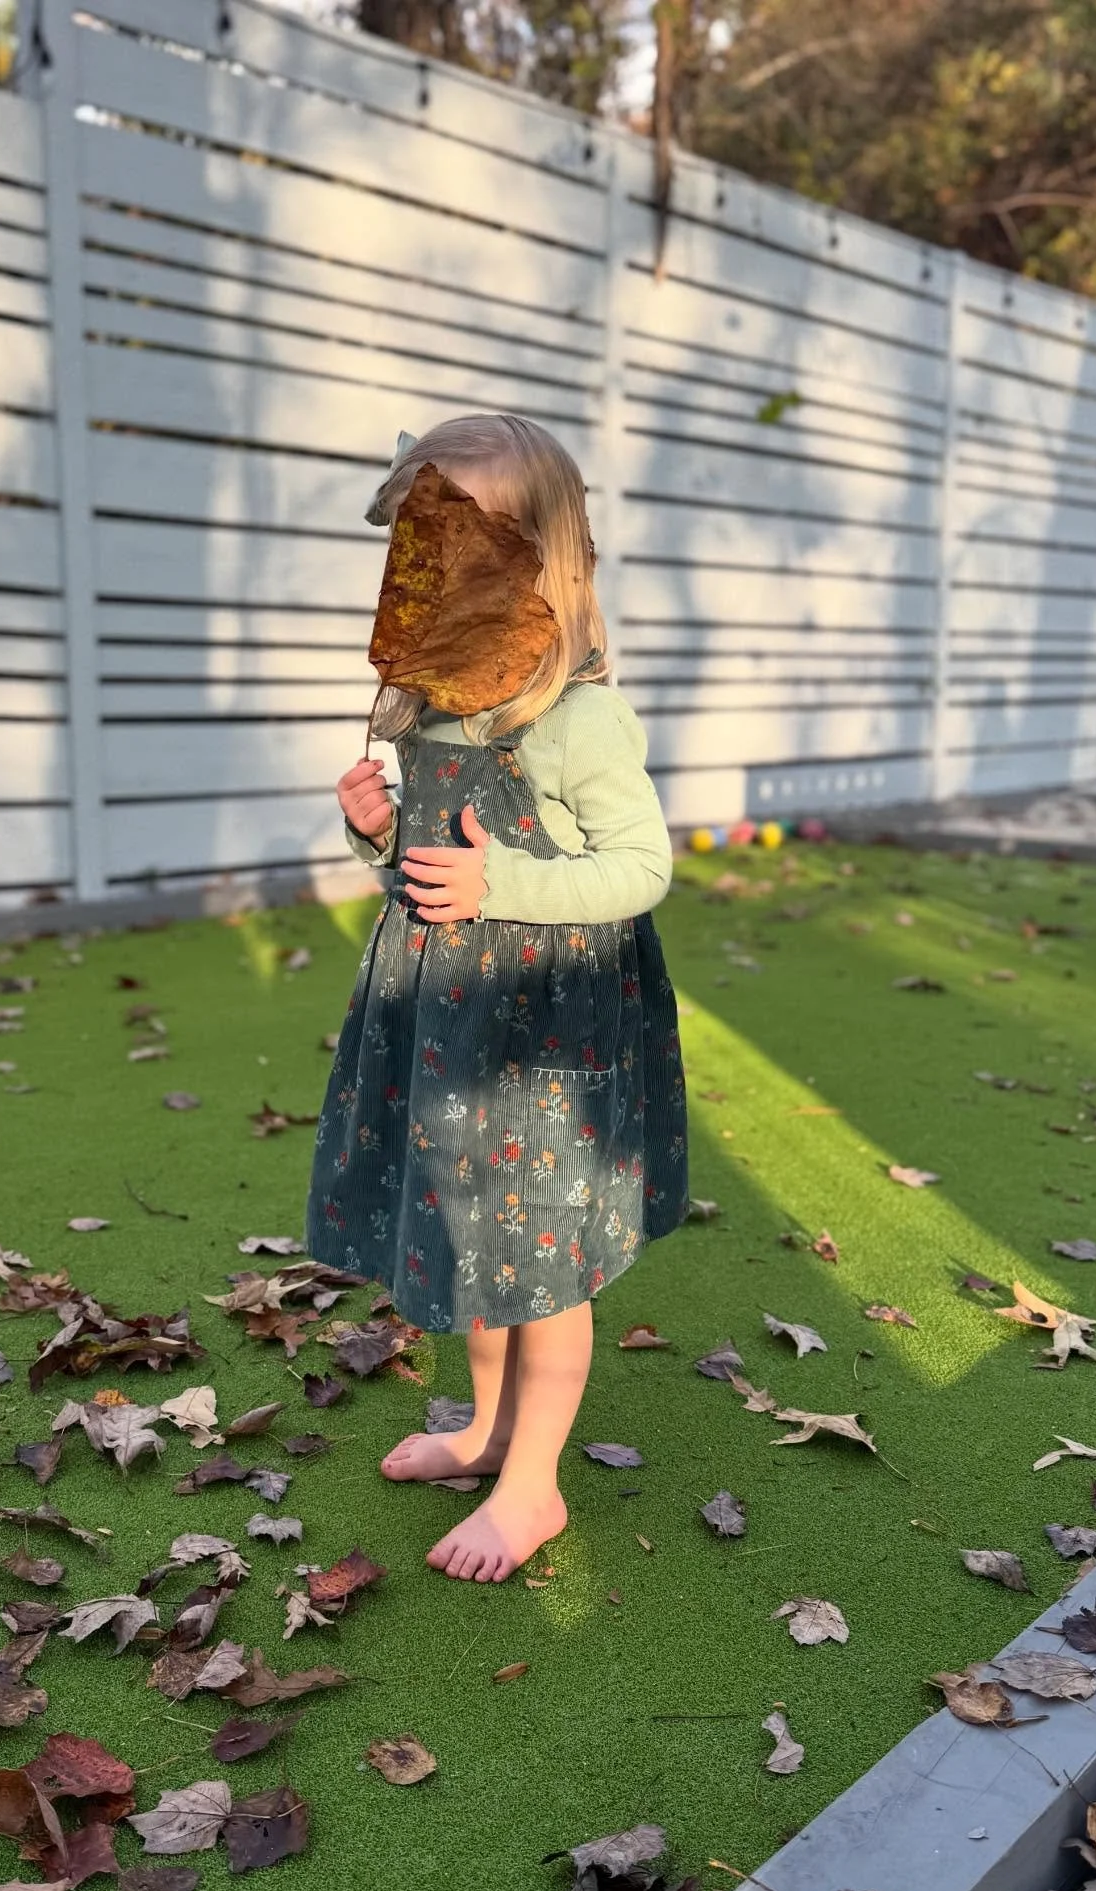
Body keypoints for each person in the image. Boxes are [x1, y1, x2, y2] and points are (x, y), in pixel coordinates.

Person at [305, 412, 688, 1585]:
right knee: (475, 1247)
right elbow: (428, 863)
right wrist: (379, 836)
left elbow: (644, 868)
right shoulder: (430, 706)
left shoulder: (576, 717)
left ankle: (536, 1489)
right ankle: (483, 1433)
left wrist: (504, 882)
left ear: (542, 556)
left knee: (541, 1260)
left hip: (543, 1025)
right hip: (441, 1015)